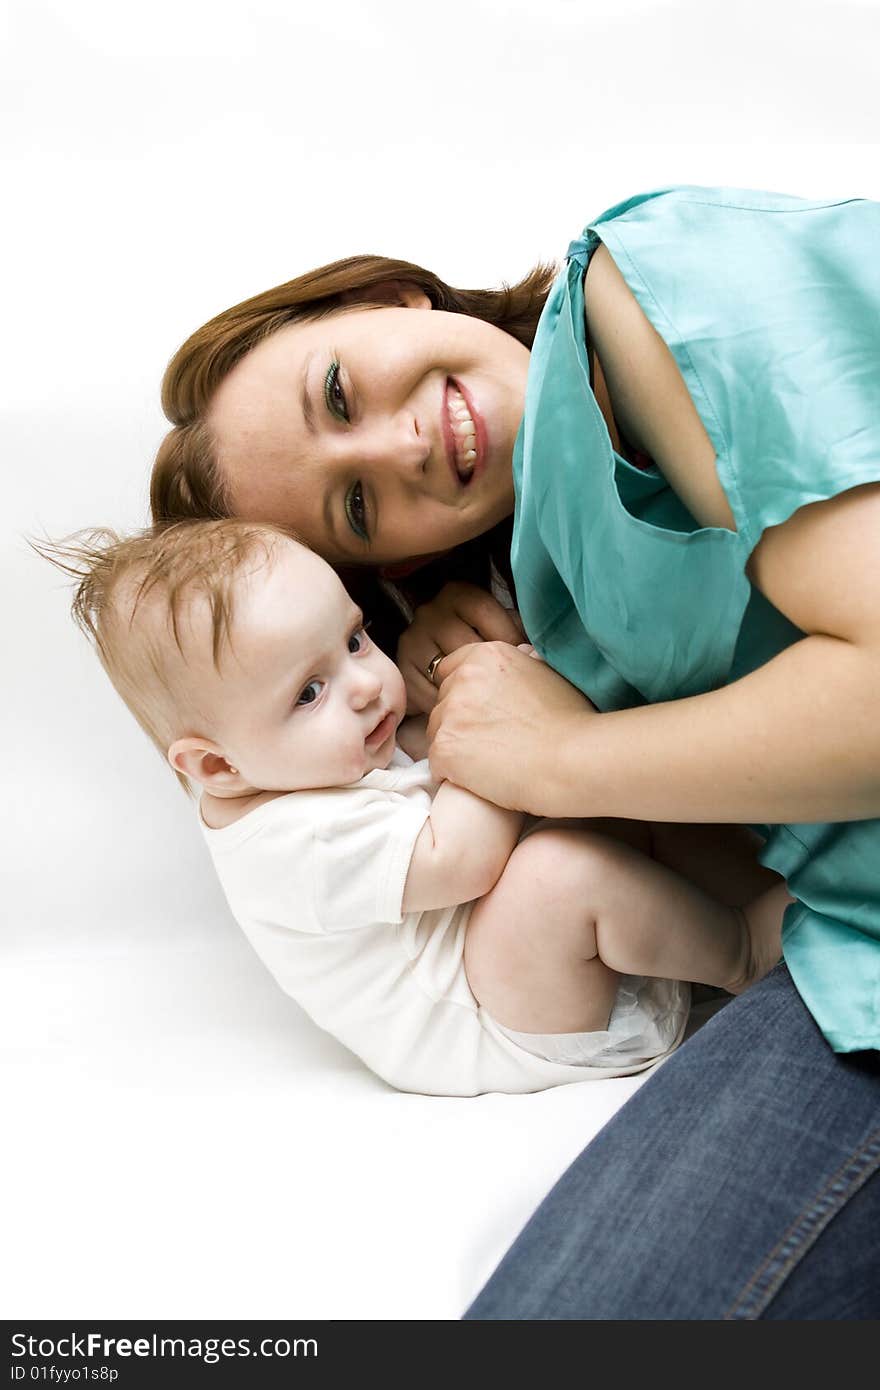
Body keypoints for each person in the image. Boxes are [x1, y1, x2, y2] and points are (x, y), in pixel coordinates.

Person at [149, 186, 880, 1314]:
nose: (397, 444)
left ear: (382, 295)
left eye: (337, 388)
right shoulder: (560, 588)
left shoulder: (636, 291)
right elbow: (770, 853)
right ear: (391, 568)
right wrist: (469, 684)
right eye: (354, 507)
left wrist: (554, 757)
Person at [44, 517, 792, 1097]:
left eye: (355, 639)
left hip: (537, 971)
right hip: (508, 1027)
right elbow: (460, 859)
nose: (366, 683)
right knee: (552, 870)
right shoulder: (289, 850)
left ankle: (754, 885)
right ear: (217, 765)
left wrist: (470, 711)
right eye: (309, 691)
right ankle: (737, 952)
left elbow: (425, 755)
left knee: (602, 799)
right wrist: (490, 730)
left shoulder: (311, 762)